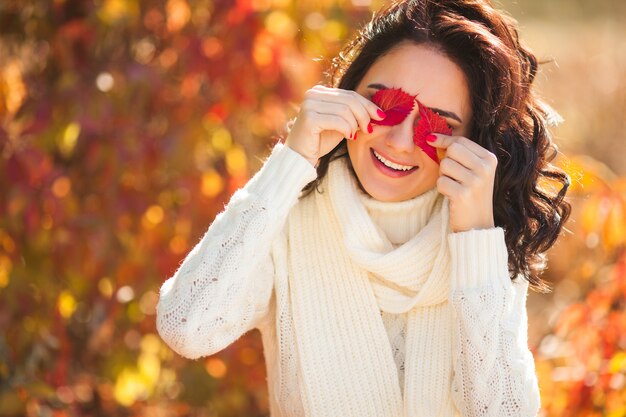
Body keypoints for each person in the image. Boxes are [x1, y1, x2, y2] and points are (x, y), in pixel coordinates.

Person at [156, 0, 571, 416]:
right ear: (349, 95)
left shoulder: (482, 243)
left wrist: (477, 240)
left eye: (439, 125)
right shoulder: (283, 220)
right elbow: (187, 327)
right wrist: (290, 161)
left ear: (473, 141)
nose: (399, 143)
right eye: (385, 106)